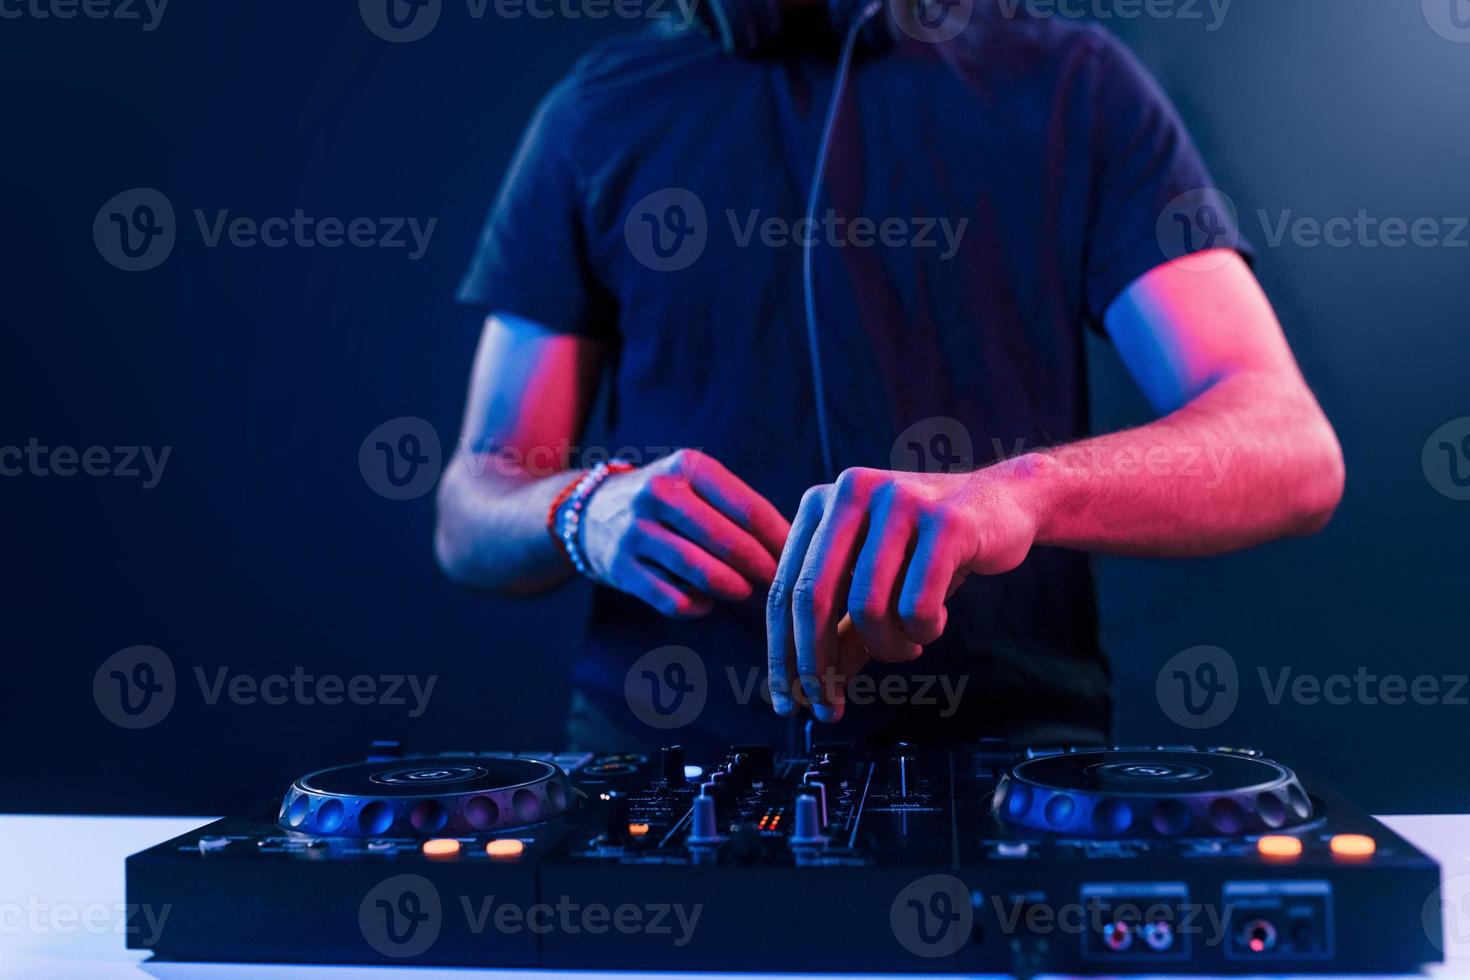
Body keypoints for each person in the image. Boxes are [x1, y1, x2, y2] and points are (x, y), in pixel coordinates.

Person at [434, 1, 1344, 757]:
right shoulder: (593, 110)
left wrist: (1020, 495)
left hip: (1004, 770)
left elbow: (1291, 450)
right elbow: (472, 510)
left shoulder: (1079, 87)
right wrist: (583, 511)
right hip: (660, 768)